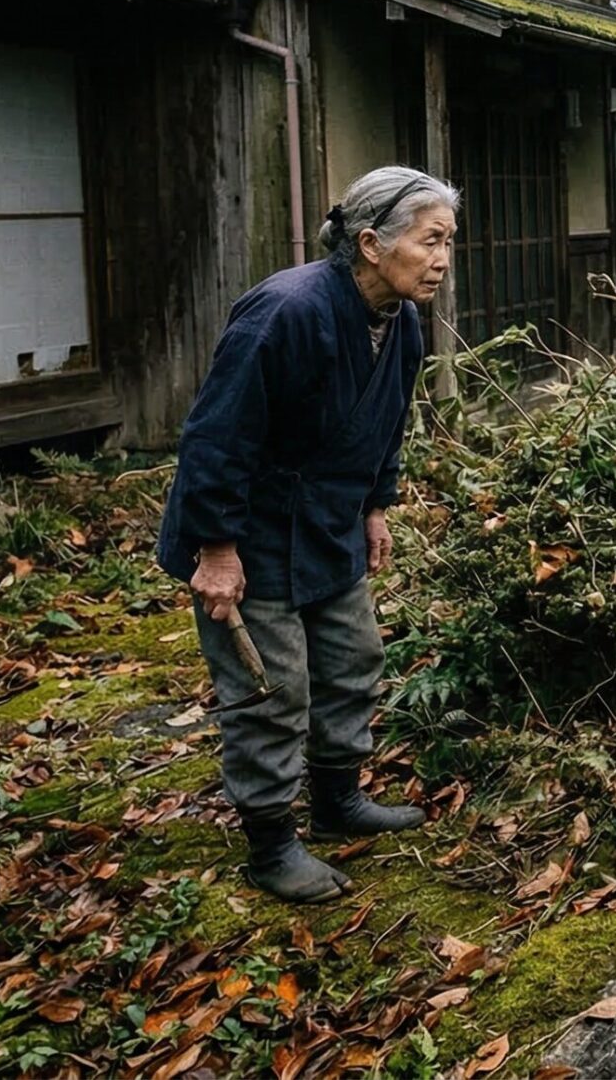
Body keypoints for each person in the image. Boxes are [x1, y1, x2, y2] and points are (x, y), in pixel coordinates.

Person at [156, 166, 458, 901]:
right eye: (431, 240)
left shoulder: (403, 321)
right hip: (248, 532)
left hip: (329, 522)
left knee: (353, 658)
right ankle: (269, 844)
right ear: (369, 243)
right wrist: (217, 548)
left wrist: (375, 505)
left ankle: (336, 800)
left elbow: (387, 423)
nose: (444, 258)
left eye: (450, 241)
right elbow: (215, 435)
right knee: (271, 687)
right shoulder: (285, 312)